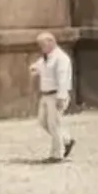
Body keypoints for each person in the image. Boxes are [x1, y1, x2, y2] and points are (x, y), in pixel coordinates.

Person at [30, 32, 75, 163]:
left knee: (54, 124)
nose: (40, 48)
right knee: (43, 121)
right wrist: (34, 69)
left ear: (51, 43)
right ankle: (66, 139)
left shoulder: (61, 58)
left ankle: (57, 154)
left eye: (42, 45)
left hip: (56, 95)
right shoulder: (46, 57)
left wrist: (61, 97)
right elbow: (39, 66)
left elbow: (63, 80)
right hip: (46, 94)